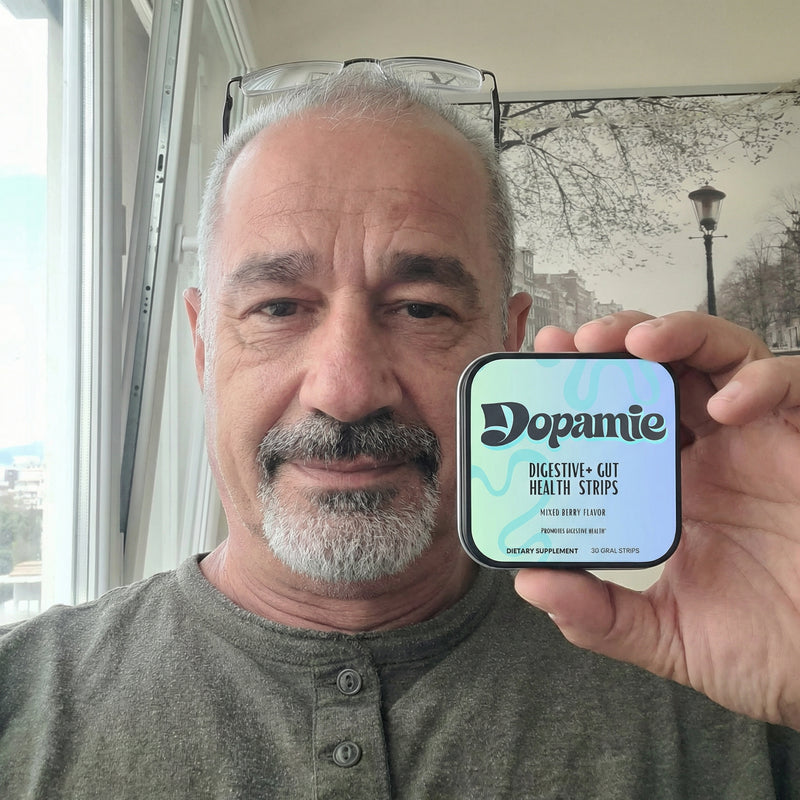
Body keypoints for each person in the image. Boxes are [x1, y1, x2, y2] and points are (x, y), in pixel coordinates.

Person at [1, 66, 800, 799]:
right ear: (203, 344)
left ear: (509, 339)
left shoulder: (735, 686)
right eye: (278, 308)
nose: (347, 392)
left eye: (421, 309)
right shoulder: (18, 700)